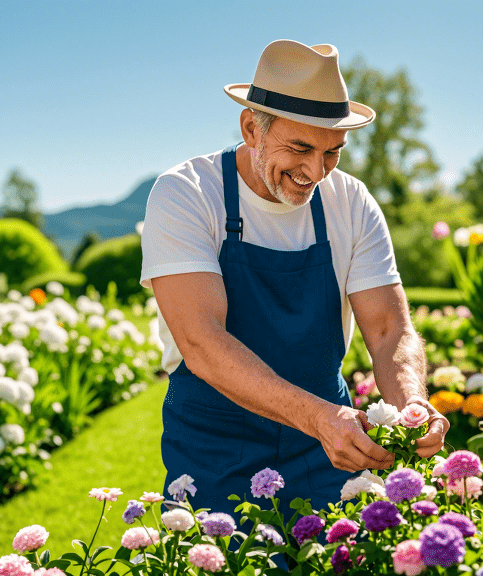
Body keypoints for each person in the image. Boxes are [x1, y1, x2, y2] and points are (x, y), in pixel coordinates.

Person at [140, 39, 449, 523]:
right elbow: (201, 341)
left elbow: (390, 328)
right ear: (251, 128)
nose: (315, 171)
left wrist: (411, 405)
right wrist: (319, 418)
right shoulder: (186, 194)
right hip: (216, 441)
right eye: (300, 147)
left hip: (327, 446)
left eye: (333, 152)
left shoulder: (351, 201)